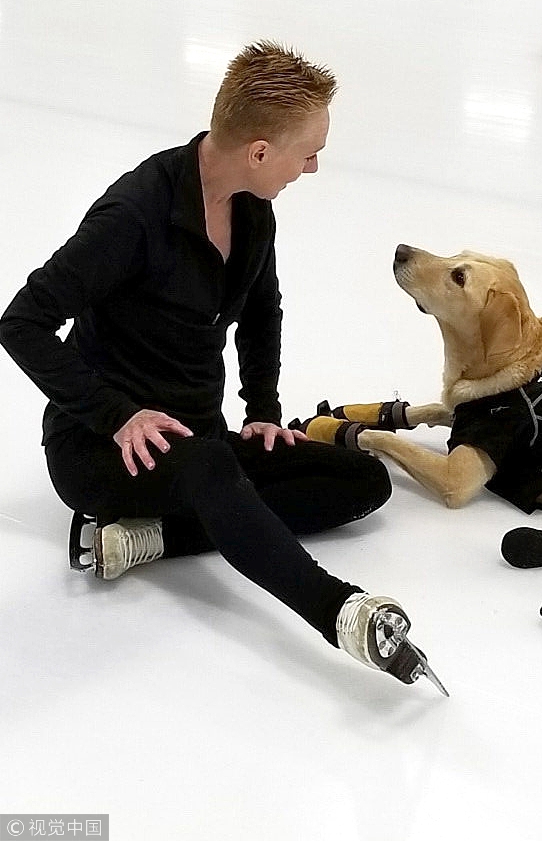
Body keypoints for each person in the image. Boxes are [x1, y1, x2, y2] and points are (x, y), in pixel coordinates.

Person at [0, 41, 446, 694]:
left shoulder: (252, 206)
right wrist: (117, 415)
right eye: (308, 152)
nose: (313, 166)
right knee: (211, 468)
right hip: (104, 450)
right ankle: (339, 612)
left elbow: (263, 310)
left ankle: (152, 540)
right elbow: (21, 323)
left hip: (198, 439)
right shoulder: (134, 215)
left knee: (359, 480)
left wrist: (263, 411)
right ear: (260, 152)